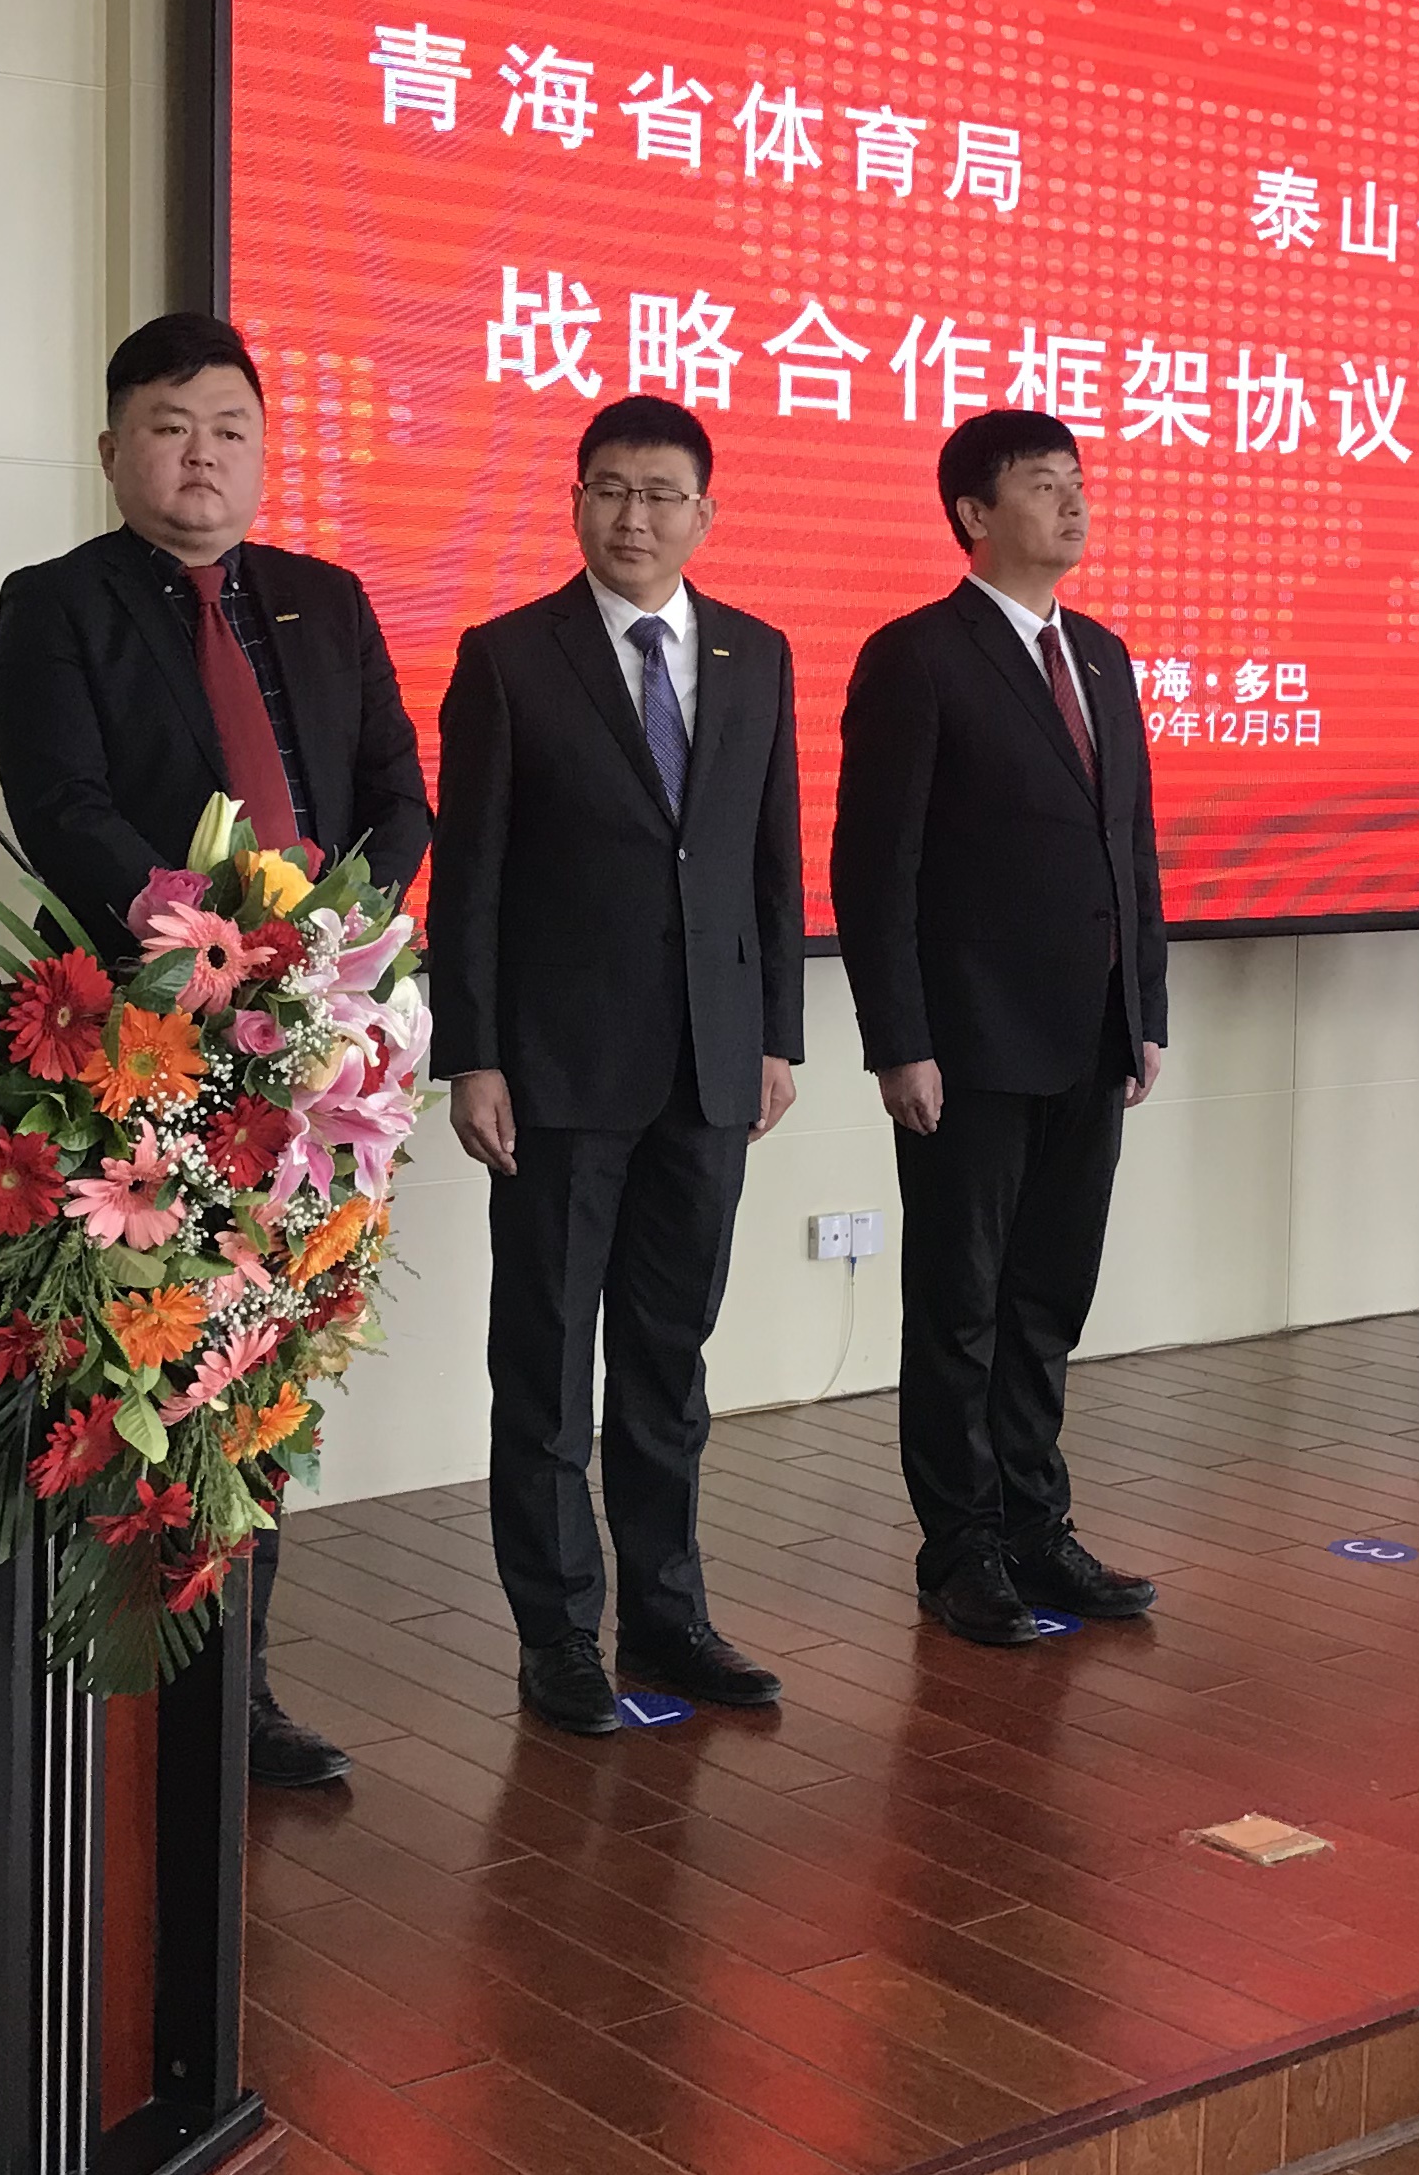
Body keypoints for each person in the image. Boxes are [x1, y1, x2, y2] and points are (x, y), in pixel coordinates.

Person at [0, 313, 433, 1788]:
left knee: (267, 1357)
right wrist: (220, 939)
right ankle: (120, 1694)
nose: (203, 455)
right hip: (148, 1045)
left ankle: (235, 1692)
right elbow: (63, 808)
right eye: (171, 427)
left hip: (315, 1044)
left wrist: (328, 946)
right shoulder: (58, 604)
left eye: (231, 428)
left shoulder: (325, 598)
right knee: (147, 1358)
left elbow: (397, 794)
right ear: (112, 447)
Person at [435, 396, 801, 1736]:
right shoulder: (508, 657)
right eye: (609, 489)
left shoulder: (757, 654)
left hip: (710, 1067)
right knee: (545, 1365)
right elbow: (469, 879)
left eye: (659, 495)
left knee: (669, 1358)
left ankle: (668, 1615)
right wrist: (474, 1056)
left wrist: (777, 1036)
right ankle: (557, 1636)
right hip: (558, 1069)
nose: (632, 517)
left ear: (705, 514)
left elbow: (770, 861)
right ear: (577, 501)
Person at [833, 409, 1166, 1647]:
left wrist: (1146, 1010)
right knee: (961, 1305)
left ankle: (1038, 1525)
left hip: (1090, 1036)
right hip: (968, 1043)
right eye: (1042, 485)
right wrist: (898, 1039)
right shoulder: (917, 657)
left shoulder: (1105, 657)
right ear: (974, 514)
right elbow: (877, 867)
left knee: (1048, 1300)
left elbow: (1131, 849)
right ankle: (960, 1547)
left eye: (1078, 482)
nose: (1073, 504)